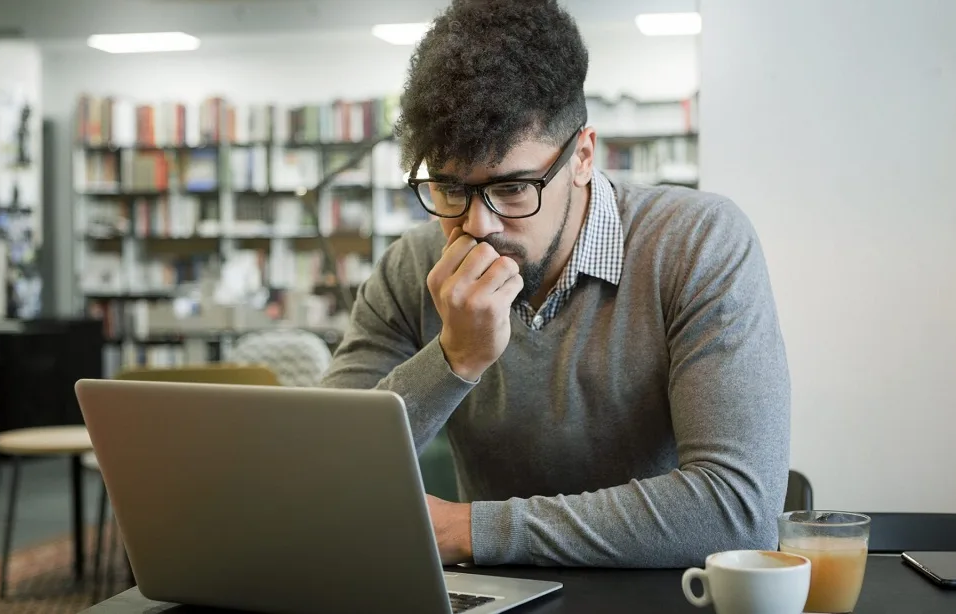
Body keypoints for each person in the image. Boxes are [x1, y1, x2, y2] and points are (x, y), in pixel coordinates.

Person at [319, 0, 790, 568]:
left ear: (583, 156)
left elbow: (738, 512)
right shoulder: (409, 269)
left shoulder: (697, 244)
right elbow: (324, 475)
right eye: (449, 189)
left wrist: (472, 529)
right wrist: (453, 361)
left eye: (514, 188)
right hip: (491, 598)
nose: (478, 226)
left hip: (659, 598)